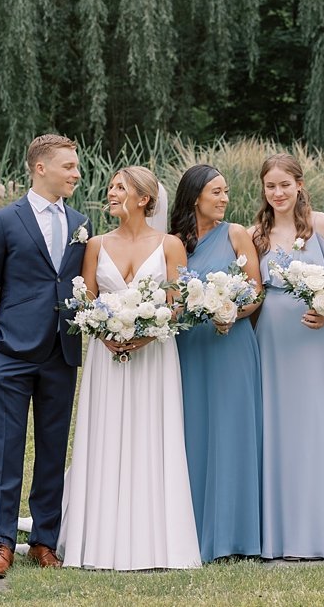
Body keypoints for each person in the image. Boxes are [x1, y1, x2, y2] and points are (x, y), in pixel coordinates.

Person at [60, 166, 200, 570]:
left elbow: (180, 303)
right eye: (111, 188)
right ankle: (100, 538)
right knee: (106, 432)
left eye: (121, 187)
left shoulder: (171, 245)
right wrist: (102, 331)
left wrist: (150, 332)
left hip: (154, 356)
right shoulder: (96, 245)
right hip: (107, 359)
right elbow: (85, 300)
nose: (112, 193)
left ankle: (157, 539)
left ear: (144, 198)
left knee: (153, 433)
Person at [0, 134, 90, 579]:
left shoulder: (82, 222)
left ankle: (43, 539)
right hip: (11, 352)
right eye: (69, 167)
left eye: (76, 167)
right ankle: (0, 544)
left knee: (52, 451)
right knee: (4, 450)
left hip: (61, 351)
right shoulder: (3, 221)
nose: (76, 173)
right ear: (40, 168)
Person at [253, 153, 324, 561]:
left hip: (313, 338)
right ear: (263, 190)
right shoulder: (256, 232)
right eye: (270, 186)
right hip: (272, 341)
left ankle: (320, 530)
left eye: (284, 184)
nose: (278, 193)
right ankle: (279, 534)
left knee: (315, 426)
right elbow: (252, 290)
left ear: (299, 184)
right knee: (276, 428)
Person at [173, 163, 263, 563]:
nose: (225, 199)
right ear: (195, 197)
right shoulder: (174, 241)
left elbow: (257, 292)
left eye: (226, 191)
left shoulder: (236, 234)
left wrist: (233, 312)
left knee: (232, 431)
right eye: (217, 192)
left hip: (232, 344)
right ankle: (189, 528)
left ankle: (234, 536)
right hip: (190, 347)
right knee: (193, 430)